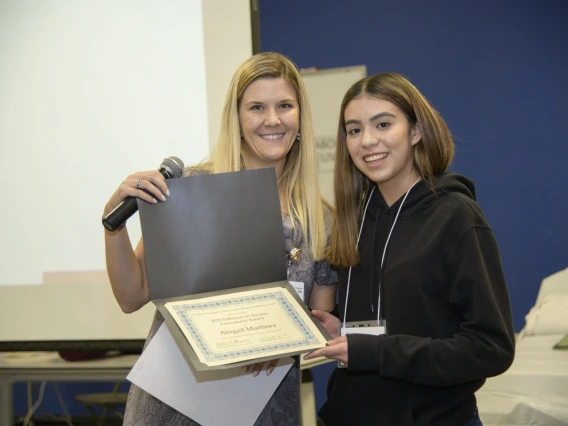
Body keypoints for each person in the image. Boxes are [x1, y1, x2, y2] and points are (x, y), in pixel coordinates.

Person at [103, 52, 338, 426]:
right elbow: (131, 297)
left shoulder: (321, 218)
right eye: (257, 107)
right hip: (174, 402)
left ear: (300, 117)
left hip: (263, 405)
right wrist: (112, 225)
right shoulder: (189, 189)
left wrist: (285, 336)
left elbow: (320, 318)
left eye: (285, 106)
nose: (272, 120)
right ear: (238, 118)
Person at [303, 72, 515, 426]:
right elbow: (398, 316)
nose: (367, 141)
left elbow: (491, 348)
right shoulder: (351, 219)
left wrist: (379, 353)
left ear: (415, 131)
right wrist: (342, 330)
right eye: (354, 130)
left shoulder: (457, 217)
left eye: (383, 124)